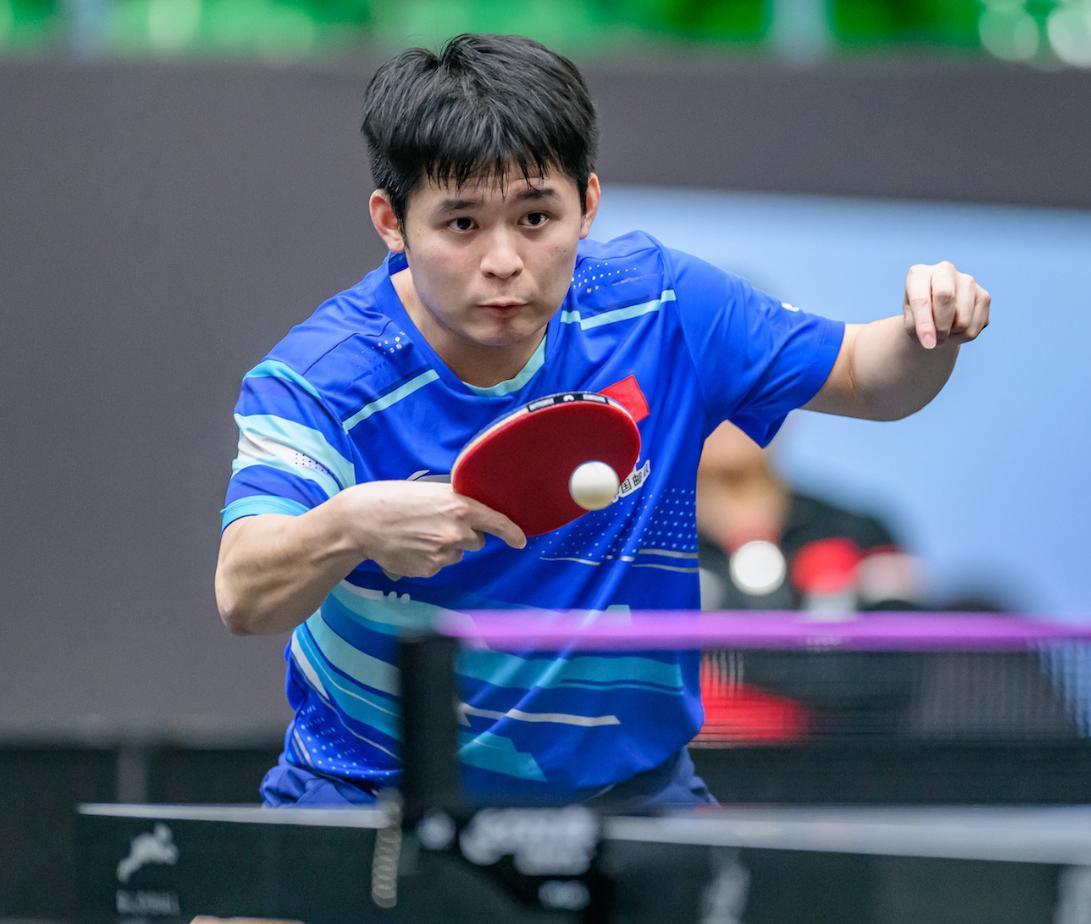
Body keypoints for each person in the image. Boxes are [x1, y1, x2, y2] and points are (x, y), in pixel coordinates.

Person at [214, 34, 991, 811]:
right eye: (461, 224)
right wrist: (349, 525)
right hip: (373, 797)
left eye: (534, 217)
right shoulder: (324, 376)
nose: (503, 260)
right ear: (392, 222)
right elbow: (243, 592)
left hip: (631, 800)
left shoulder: (662, 308)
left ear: (586, 204)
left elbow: (866, 376)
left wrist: (926, 329)